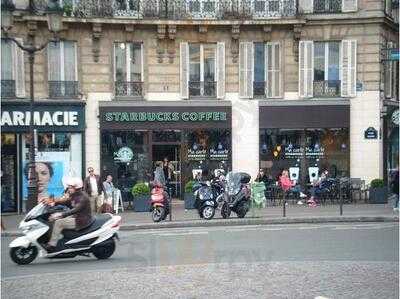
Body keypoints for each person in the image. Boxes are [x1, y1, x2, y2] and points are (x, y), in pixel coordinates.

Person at [45, 177, 92, 253]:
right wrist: (54, 202)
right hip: (76, 216)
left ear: (76, 188)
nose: (69, 189)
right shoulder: (75, 195)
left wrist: (61, 214)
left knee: (58, 222)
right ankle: (57, 238)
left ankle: (52, 245)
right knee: (53, 218)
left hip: (81, 220)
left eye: (71, 187)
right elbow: (66, 202)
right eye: (69, 187)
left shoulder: (83, 198)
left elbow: (75, 210)